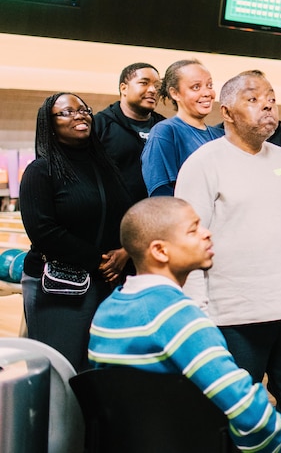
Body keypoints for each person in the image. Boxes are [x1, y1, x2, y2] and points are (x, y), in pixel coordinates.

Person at [174, 69, 281, 445]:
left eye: (271, 97)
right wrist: (199, 314)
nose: (267, 105)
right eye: (254, 98)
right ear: (227, 111)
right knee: (228, 424)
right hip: (230, 318)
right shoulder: (204, 163)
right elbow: (187, 244)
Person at [88, 197, 281, 453]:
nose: (207, 234)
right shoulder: (177, 316)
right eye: (193, 230)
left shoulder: (106, 312)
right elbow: (243, 407)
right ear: (160, 251)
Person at [19, 93, 133, 371]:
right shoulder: (40, 170)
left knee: (99, 370)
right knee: (63, 370)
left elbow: (124, 215)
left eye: (83, 110)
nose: (79, 115)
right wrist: (99, 260)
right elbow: (43, 231)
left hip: (107, 281)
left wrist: (123, 251)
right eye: (67, 112)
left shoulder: (106, 167)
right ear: (50, 123)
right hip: (60, 285)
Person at [141, 59, 223, 197]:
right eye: (196, 87)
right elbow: (162, 195)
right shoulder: (165, 132)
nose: (207, 93)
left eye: (209, 85)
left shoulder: (221, 136)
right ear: (175, 93)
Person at [94, 62, 165, 202]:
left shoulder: (165, 128)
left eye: (157, 86)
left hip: (156, 215)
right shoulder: (99, 125)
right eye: (144, 83)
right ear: (124, 88)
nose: (153, 90)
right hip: (113, 217)